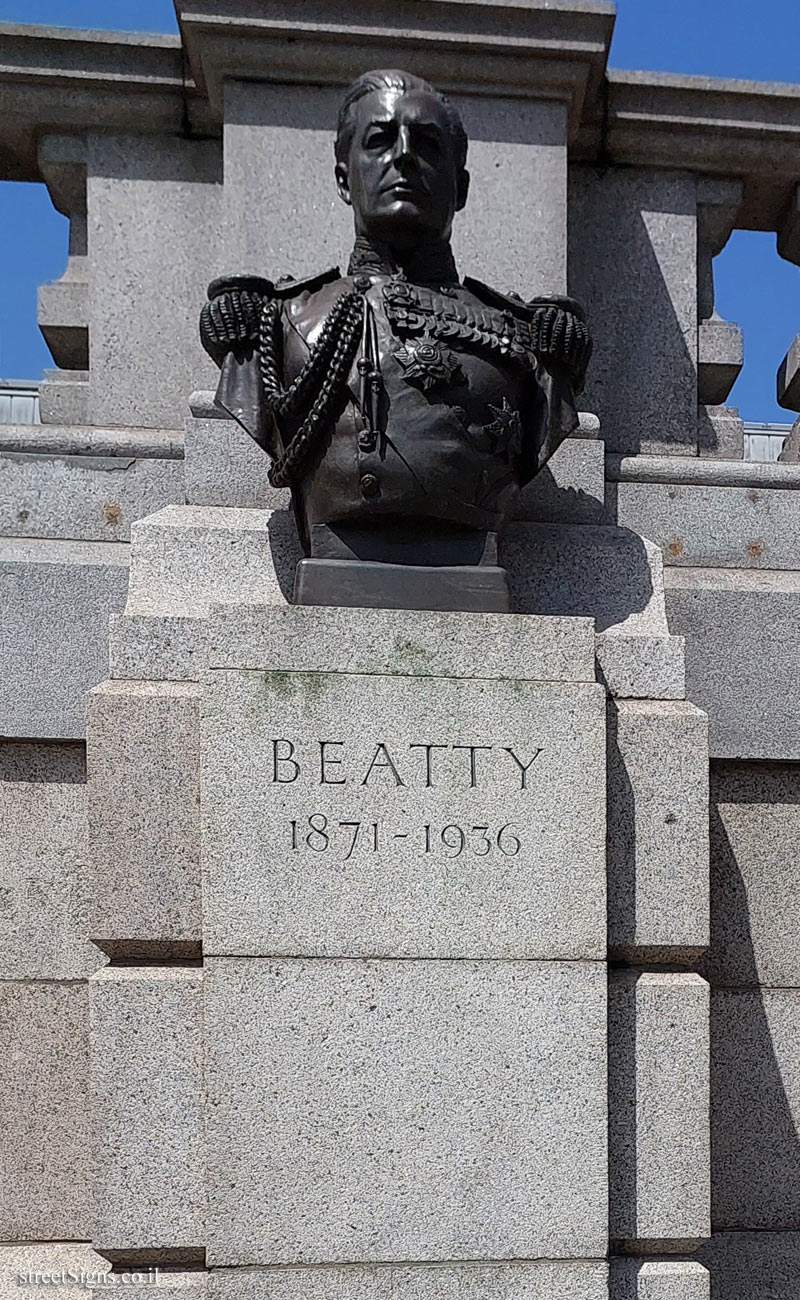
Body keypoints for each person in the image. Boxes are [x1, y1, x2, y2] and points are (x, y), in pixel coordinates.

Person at [199, 69, 591, 590]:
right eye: (380, 140)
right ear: (344, 178)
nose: (404, 156)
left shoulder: (526, 339)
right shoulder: (280, 321)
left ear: (462, 187)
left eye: (427, 144)